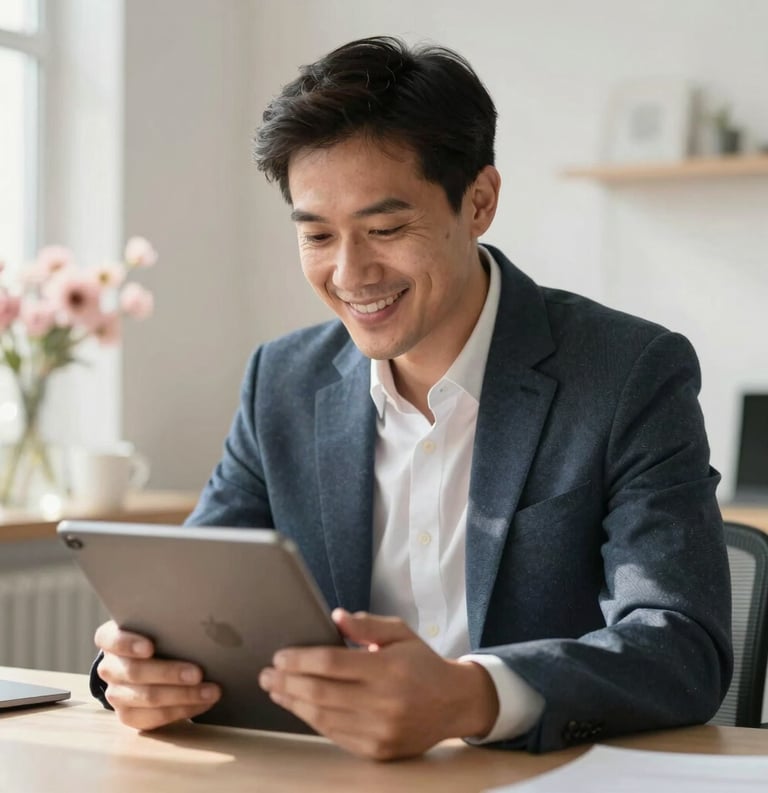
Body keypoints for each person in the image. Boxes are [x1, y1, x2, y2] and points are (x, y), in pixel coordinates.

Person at [91, 36, 732, 760]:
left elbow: (682, 646)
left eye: (386, 229)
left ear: (480, 201)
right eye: (318, 235)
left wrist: (472, 695)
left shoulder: (627, 373)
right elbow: (190, 599)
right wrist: (138, 668)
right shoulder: (283, 382)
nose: (350, 273)